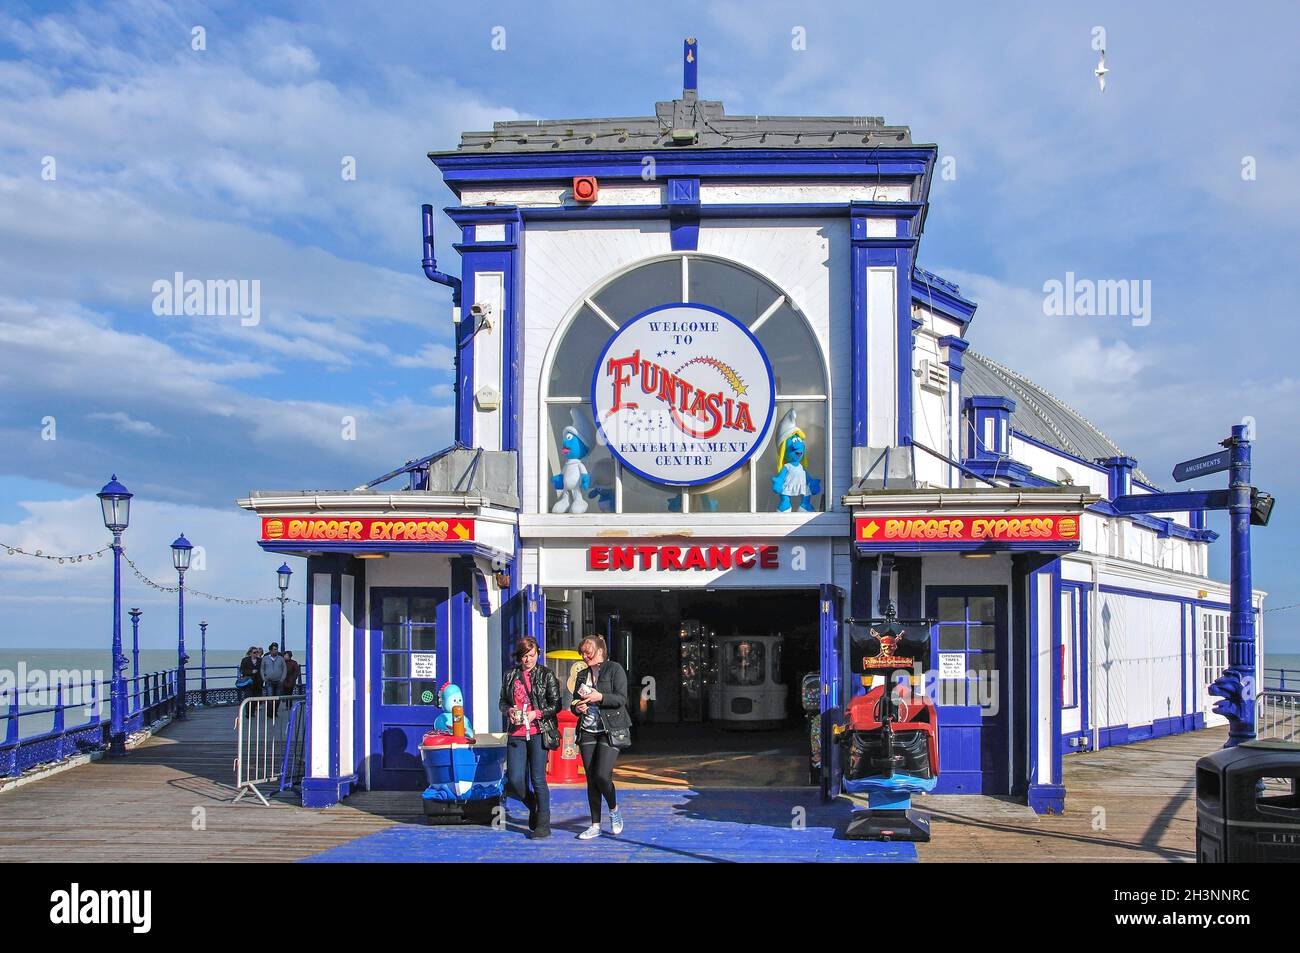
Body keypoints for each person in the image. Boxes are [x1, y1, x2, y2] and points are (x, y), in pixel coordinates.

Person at [498, 637, 560, 839]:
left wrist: (537, 713)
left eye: (532, 655)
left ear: (538, 654)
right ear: (519, 656)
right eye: (524, 656)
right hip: (516, 732)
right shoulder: (510, 676)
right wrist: (509, 711)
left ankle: (544, 824)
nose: (528, 660)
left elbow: (556, 704)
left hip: (538, 731)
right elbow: (502, 702)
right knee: (515, 779)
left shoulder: (546, 675)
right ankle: (533, 804)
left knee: (538, 778)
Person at [571, 635, 630, 840]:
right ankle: (595, 824)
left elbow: (621, 698)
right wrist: (578, 707)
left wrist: (600, 697)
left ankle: (614, 809)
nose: (585, 657)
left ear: (600, 651)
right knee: (590, 779)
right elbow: (573, 703)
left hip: (610, 729)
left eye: (588, 652)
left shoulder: (614, 669)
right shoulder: (581, 675)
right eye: (583, 653)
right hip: (587, 729)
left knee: (602, 775)